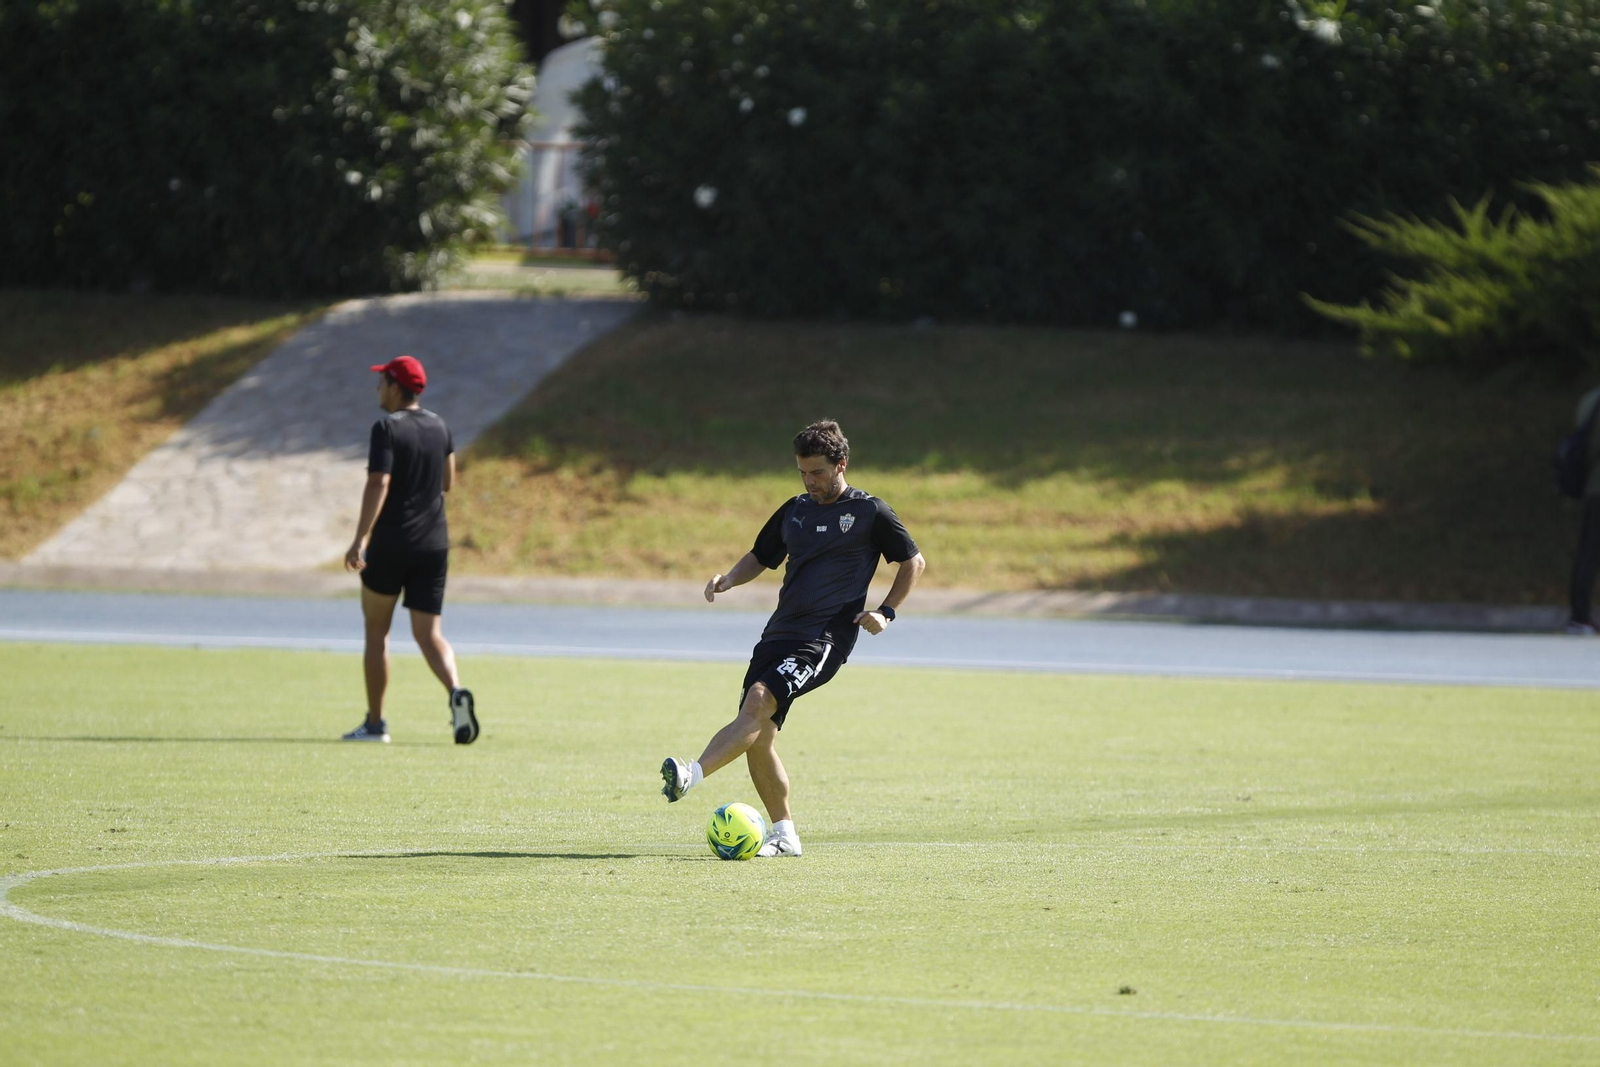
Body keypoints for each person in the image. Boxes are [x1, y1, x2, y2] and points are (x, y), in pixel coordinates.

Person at [659, 419, 926, 857]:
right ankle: (785, 835)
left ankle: (692, 774)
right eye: (803, 473)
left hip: (823, 639)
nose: (810, 481)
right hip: (777, 635)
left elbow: (913, 561)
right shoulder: (795, 510)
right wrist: (729, 579)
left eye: (817, 472)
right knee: (758, 734)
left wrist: (886, 611)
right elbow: (761, 556)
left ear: (841, 464)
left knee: (758, 701)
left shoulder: (869, 512)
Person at [342, 355, 478, 744]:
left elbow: (378, 483)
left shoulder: (386, 427)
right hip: (433, 545)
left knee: (376, 632)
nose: (377, 388)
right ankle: (456, 691)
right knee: (429, 634)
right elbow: (448, 481)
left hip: (391, 544)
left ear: (395, 387)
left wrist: (360, 538)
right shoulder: (440, 425)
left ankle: (375, 725)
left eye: (382, 381)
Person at [1568, 384, 1600, 634]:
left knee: (1587, 552)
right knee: (1590, 552)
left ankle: (1579, 615)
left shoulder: (1590, 399)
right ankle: (1580, 616)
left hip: (1592, 485)